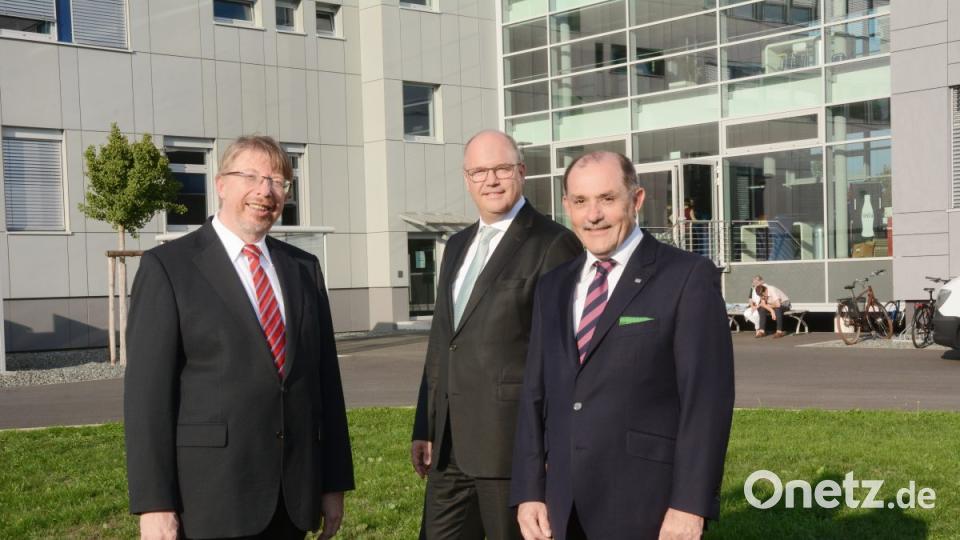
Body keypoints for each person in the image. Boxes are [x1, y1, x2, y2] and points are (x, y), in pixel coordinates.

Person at [124, 135, 354, 539]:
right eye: (251, 176)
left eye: (279, 181)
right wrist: (154, 504)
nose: (265, 191)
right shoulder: (168, 268)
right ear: (221, 184)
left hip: (292, 499)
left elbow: (325, 385)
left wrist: (333, 482)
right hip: (211, 500)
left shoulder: (304, 268)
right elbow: (147, 399)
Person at [510, 151, 735, 540]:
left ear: (637, 199)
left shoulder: (686, 277)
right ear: (566, 206)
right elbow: (535, 392)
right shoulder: (553, 285)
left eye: (607, 199)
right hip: (562, 507)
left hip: (647, 506)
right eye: (580, 202)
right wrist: (530, 490)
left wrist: (690, 505)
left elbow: (707, 401)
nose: (592, 214)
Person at [411, 130, 581, 539]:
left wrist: (549, 449)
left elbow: (564, 360)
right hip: (449, 449)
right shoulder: (456, 245)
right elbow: (442, 343)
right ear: (466, 178)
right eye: (479, 171)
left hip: (510, 449)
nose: (491, 180)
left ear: (521, 172)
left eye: (502, 168)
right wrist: (425, 425)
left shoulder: (554, 244)